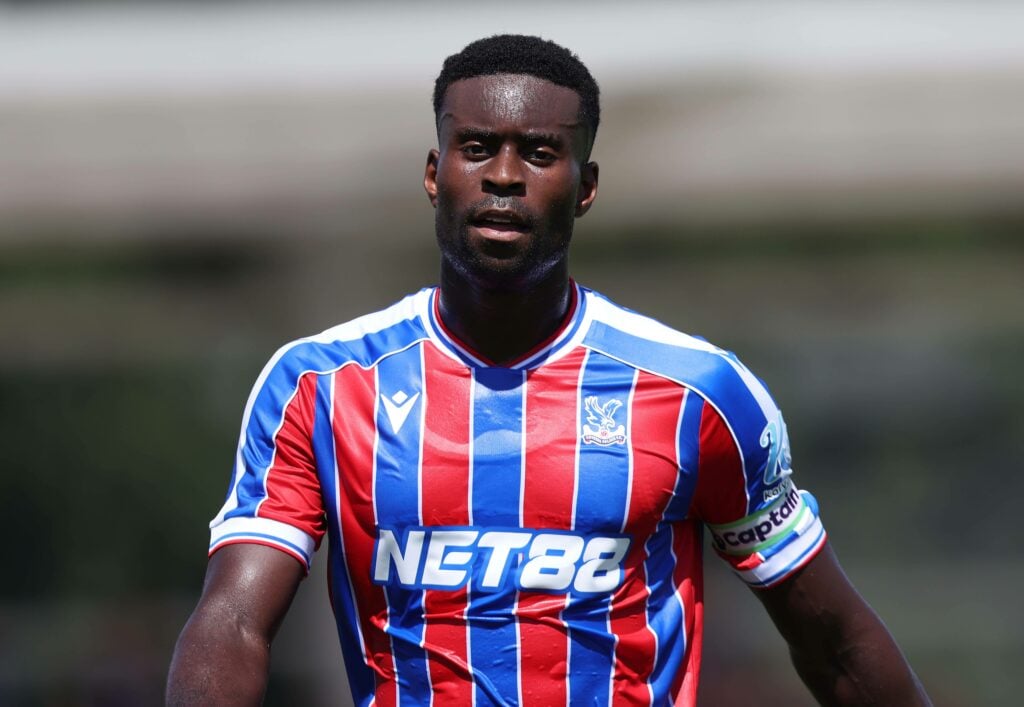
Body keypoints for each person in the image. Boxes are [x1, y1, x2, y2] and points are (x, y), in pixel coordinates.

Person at [167, 34, 931, 706]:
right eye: (476, 148)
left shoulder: (699, 393)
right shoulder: (321, 386)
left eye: (538, 153)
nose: (504, 176)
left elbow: (834, 643)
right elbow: (232, 623)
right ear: (435, 172)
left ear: (586, 186)